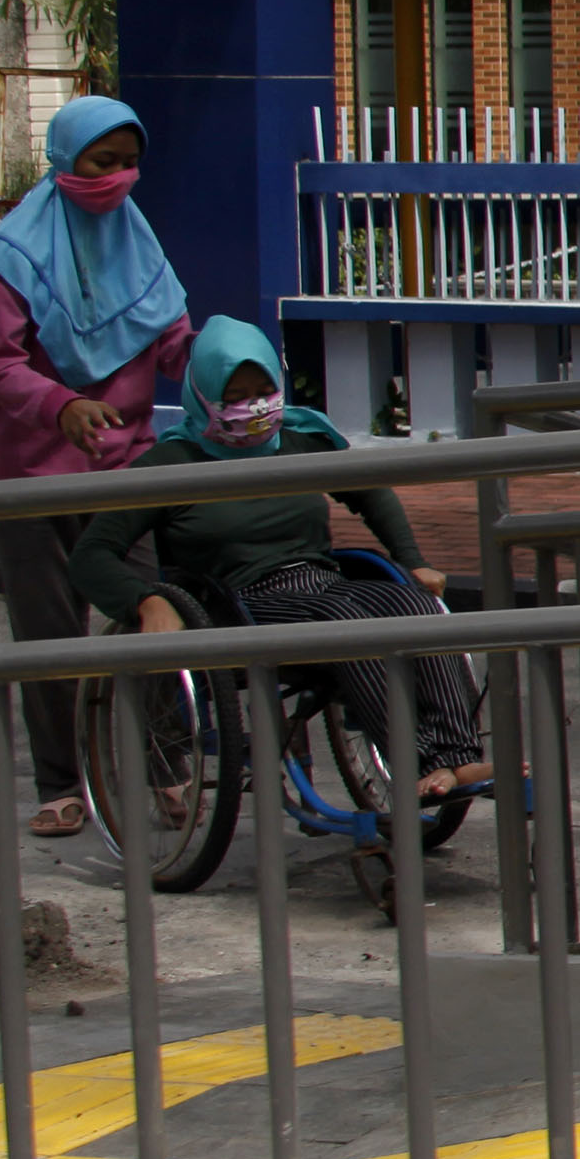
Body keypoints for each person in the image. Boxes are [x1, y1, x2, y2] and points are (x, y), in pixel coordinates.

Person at [67, 316, 490, 810]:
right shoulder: (170, 465)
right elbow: (91, 556)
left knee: (413, 606)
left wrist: (411, 561)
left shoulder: (302, 439)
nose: (254, 406)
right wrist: (145, 601)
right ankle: (419, 764)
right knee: (348, 623)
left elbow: (372, 492)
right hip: (237, 600)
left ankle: (456, 756)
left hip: (320, 581)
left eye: (263, 391)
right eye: (235, 395)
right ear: (203, 395)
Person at [0, 94, 195, 839]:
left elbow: (172, 340)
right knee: (49, 633)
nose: (118, 178)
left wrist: (220, 364)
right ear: (67, 160)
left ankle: (166, 766)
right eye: (104, 162)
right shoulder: (16, 251)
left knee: (151, 607)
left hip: (123, 468)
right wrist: (60, 404)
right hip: (31, 476)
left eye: (130, 163)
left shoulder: (139, 244)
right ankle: (63, 783)